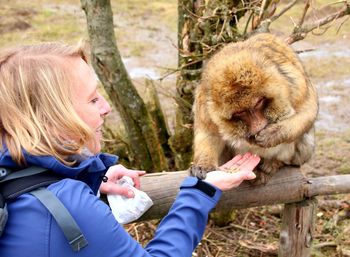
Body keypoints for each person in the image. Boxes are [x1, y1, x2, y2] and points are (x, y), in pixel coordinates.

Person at [0, 42, 260, 257]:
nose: (106, 107)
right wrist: (201, 191)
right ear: (50, 118)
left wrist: (85, 175)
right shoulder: (69, 209)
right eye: (92, 99)